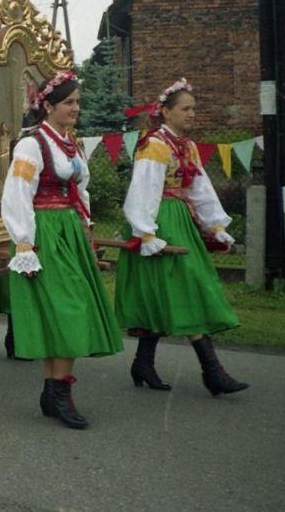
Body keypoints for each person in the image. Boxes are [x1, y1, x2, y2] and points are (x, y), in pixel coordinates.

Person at [0, 71, 123, 429]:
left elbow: (80, 190)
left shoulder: (71, 144)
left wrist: (86, 227)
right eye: (69, 102)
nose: (76, 108)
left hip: (68, 230)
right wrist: (24, 242)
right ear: (49, 106)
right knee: (66, 309)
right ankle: (58, 393)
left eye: (78, 102)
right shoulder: (31, 144)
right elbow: (17, 194)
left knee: (67, 309)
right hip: (43, 232)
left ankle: (54, 390)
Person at [116, 78, 248, 397]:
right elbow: (143, 190)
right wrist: (146, 232)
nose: (192, 114)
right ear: (165, 112)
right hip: (161, 221)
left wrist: (215, 224)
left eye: (193, 109)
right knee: (183, 289)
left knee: (168, 293)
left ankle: (143, 364)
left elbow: (199, 187)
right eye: (185, 109)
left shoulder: (186, 146)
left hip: (181, 220)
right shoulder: (155, 146)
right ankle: (212, 372)